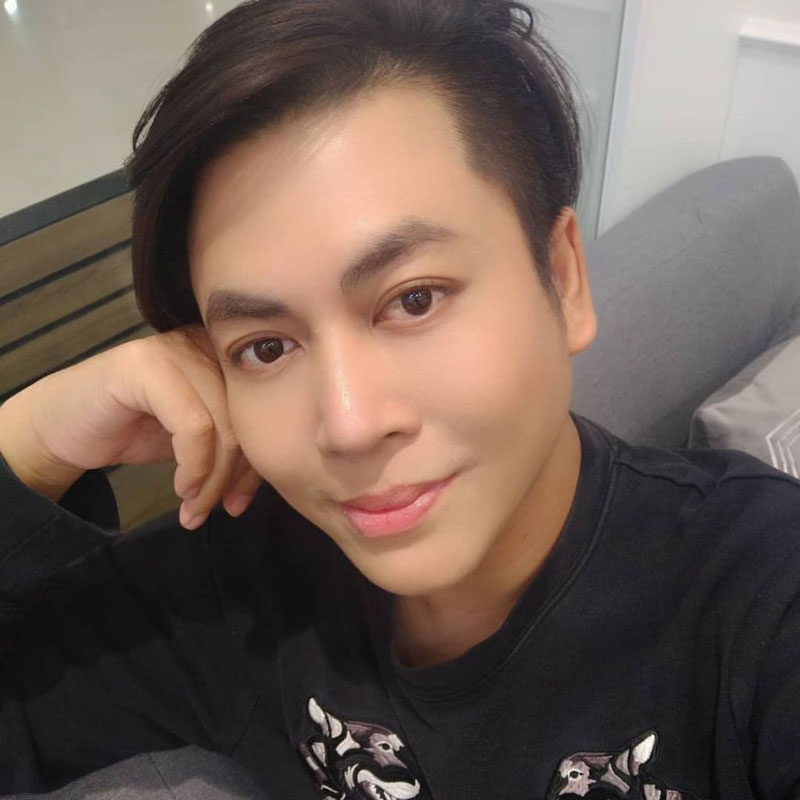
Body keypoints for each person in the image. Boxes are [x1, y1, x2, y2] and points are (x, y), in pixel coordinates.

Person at [0, 1, 799, 798]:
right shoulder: (240, 592)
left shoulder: (756, 600)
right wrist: (31, 439)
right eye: (266, 348)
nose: (349, 425)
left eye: (414, 300)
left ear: (562, 280)